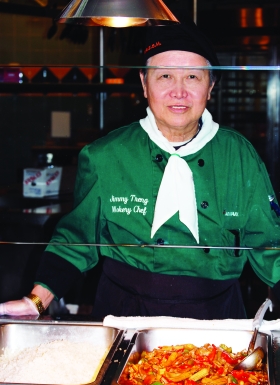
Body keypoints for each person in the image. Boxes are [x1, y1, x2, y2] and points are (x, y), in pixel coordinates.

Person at [1, 21, 280, 320]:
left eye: (192, 77)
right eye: (164, 76)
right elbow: (76, 238)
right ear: (145, 84)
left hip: (217, 318)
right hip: (126, 314)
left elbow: (270, 245)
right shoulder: (105, 155)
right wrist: (36, 301)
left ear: (210, 86)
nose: (179, 92)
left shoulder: (239, 156)